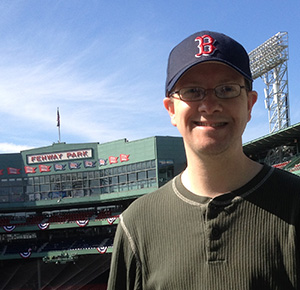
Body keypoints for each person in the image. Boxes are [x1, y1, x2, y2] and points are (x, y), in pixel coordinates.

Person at [107, 30, 300, 289]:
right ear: (171, 109)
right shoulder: (136, 224)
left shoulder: (295, 202)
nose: (209, 105)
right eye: (192, 91)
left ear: (250, 104)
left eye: (227, 89)